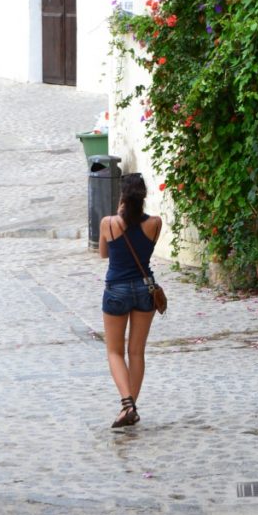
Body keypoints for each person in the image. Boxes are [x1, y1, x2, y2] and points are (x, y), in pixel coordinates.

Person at [99, 172, 162, 428]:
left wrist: (117, 213)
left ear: (122, 197)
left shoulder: (109, 223)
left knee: (114, 351)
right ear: (143, 197)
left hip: (116, 289)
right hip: (144, 288)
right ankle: (130, 408)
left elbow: (104, 253)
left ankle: (127, 404)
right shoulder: (155, 223)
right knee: (136, 352)